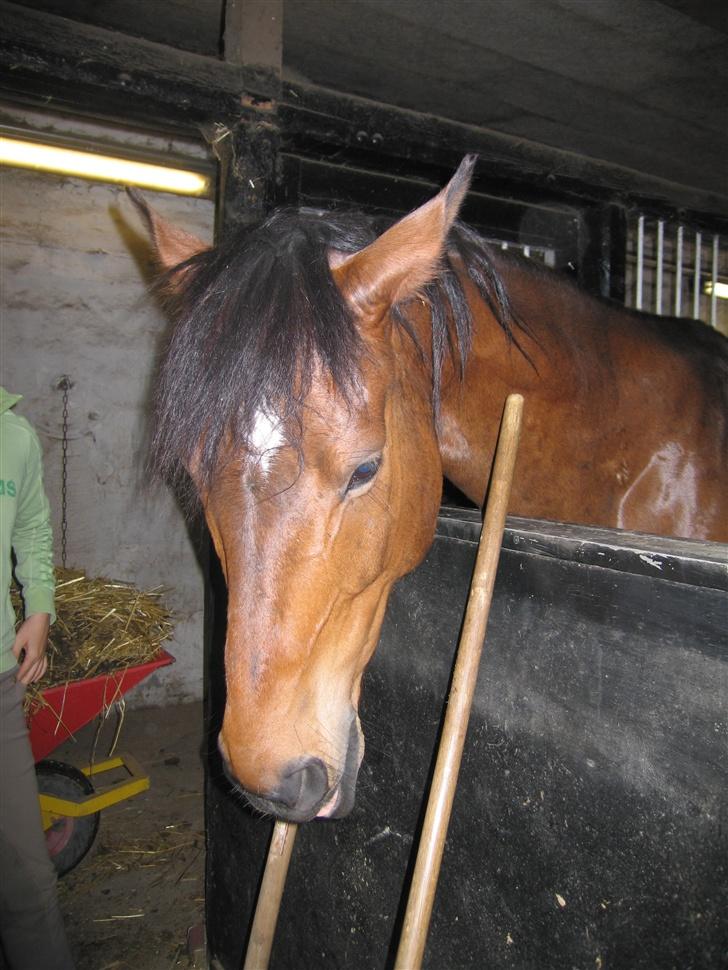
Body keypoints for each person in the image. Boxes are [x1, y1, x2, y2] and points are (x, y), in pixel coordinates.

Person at [0, 387, 75, 970]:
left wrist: (40, 609)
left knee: (28, 878)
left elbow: (31, 528)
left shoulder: (15, 439)